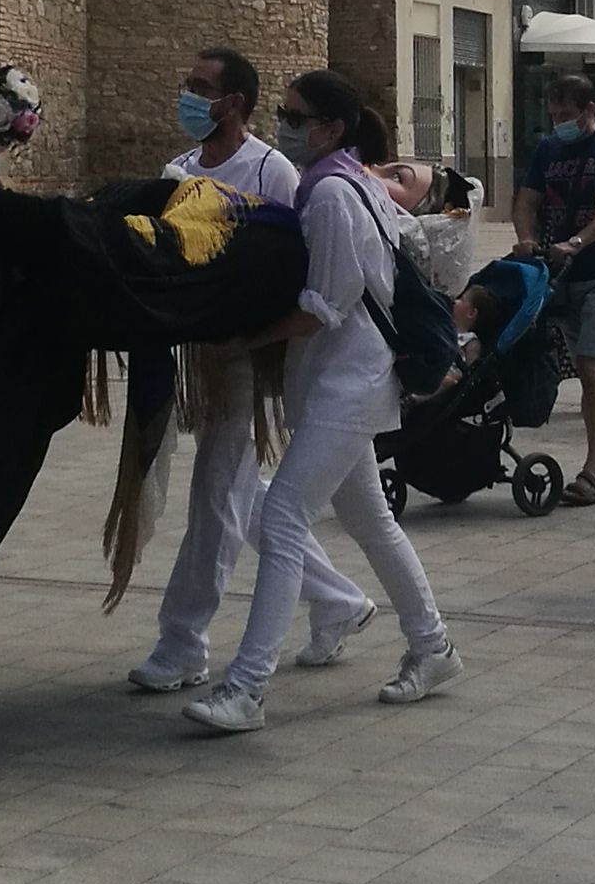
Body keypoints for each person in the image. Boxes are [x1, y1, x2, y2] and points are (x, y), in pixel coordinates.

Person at [182, 71, 462, 732]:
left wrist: (246, 343)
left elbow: (326, 303)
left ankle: (247, 689)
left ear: (332, 129)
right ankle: (433, 646)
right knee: (370, 521)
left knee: (281, 519)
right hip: (339, 380)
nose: (284, 123)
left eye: (295, 115)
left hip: (351, 381)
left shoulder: (334, 192)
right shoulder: (343, 181)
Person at [125, 47, 377, 694]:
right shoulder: (177, 169)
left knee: (215, 490)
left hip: (254, 358)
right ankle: (338, 599)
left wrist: (260, 345)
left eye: (200, 86)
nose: (188, 94)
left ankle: (183, 640)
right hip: (205, 353)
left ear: (233, 102)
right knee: (241, 492)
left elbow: (298, 264)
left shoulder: (273, 171)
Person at [518, 72, 595, 502]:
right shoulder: (549, 149)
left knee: (593, 367)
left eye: (567, 114)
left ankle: (592, 471)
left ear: (590, 109)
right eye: (553, 115)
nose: (559, 122)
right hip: (559, 277)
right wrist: (525, 237)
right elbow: (528, 199)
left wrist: (577, 241)